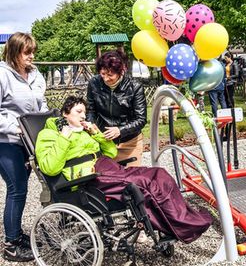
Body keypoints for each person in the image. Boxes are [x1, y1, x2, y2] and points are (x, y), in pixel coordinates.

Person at [35, 96, 213, 243]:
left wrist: (96, 133)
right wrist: (64, 138)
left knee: (159, 174)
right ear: (66, 114)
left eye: (85, 112)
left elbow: (111, 152)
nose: (84, 116)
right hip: (88, 178)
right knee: (143, 183)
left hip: (107, 166)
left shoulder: (84, 132)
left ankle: (181, 222)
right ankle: (180, 226)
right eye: (78, 112)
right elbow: (49, 168)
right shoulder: (49, 135)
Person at [0, 32, 47, 261]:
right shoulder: (2, 75)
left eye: (33, 51)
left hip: (30, 141)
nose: (32, 56)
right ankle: (11, 245)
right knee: (17, 188)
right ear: (14, 52)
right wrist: (13, 127)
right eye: (27, 52)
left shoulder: (36, 75)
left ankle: (17, 234)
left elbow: (43, 103)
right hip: (6, 142)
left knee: (22, 189)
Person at [87, 50, 146, 167]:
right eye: (102, 74)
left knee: (131, 180)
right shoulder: (94, 83)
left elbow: (141, 119)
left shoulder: (135, 86)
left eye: (110, 75)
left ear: (121, 72)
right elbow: (91, 110)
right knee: (108, 181)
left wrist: (120, 130)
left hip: (129, 143)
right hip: (104, 142)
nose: (105, 79)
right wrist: (90, 123)